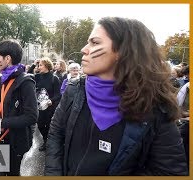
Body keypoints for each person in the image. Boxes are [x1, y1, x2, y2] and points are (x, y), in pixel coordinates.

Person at [45, 17, 188, 175]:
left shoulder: (154, 108)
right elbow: (56, 135)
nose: (84, 49)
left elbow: (169, 172)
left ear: (122, 51)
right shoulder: (74, 90)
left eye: (95, 42)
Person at [0, 39, 38, 175]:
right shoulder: (2, 79)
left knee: (12, 173)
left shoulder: (26, 82)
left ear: (8, 59)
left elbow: (32, 117)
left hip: (15, 141)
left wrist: (1, 122)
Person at [35, 57, 61, 151]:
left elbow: (58, 94)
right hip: (39, 107)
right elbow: (27, 75)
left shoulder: (55, 78)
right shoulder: (37, 76)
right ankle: (45, 139)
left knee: (50, 125)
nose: (39, 67)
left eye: (41, 65)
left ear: (46, 66)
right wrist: (34, 64)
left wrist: (51, 100)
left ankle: (49, 142)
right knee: (40, 125)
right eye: (38, 65)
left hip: (50, 107)